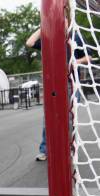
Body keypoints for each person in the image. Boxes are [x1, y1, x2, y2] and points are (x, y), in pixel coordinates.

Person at [26, 26, 89, 162]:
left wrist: (72, 62)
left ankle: (70, 148)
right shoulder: (50, 38)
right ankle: (45, 150)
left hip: (70, 83)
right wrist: (43, 27)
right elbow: (30, 43)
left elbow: (88, 57)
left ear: (67, 19)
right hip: (52, 83)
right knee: (49, 118)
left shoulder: (76, 36)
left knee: (69, 117)